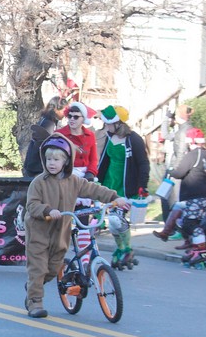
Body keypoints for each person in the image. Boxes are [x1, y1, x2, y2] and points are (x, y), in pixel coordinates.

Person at [23, 132, 129, 318]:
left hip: (60, 232)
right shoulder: (38, 183)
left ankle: (35, 284)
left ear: (66, 161)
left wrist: (114, 197)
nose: (52, 163)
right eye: (48, 159)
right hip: (39, 232)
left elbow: (93, 189)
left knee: (54, 269)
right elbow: (32, 205)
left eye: (56, 159)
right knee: (38, 268)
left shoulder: (74, 181)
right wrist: (47, 210)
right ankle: (34, 302)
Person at [96, 105, 150, 266]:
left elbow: (143, 163)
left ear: (118, 123)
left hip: (126, 187)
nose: (106, 126)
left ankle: (127, 249)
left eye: (108, 123)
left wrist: (143, 185)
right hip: (110, 184)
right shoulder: (109, 137)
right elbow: (105, 160)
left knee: (116, 219)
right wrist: (96, 177)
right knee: (113, 221)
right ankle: (121, 248)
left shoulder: (133, 139)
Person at [153, 128, 206, 258]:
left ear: (190, 142)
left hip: (196, 195)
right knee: (188, 218)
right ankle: (193, 246)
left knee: (190, 223)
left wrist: (171, 171)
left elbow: (180, 172)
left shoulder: (193, 155)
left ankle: (201, 250)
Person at [55, 101, 100, 269]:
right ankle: (54, 261)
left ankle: (85, 263)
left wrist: (90, 174)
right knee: (61, 222)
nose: (71, 120)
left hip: (83, 180)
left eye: (76, 117)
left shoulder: (90, 136)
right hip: (65, 177)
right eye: (69, 116)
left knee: (83, 222)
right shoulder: (60, 134)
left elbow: (94, 160)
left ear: (83, 119)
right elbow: (52, 157)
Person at [20, 96, 66, 178]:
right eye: (63, 110)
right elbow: (46, 145)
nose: (65, 114)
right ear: (56, 109)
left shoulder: (44, 120)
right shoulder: (49, 124)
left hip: (32, 164)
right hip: (37, 166)